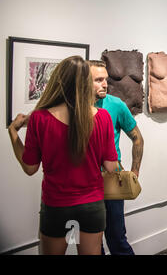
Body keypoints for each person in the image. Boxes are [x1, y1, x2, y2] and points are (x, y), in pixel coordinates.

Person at [8, 56, 118, 255]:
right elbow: (111, 167)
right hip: (92, 204)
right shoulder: (103, 118)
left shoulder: (39, 118)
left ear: (57, 81)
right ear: (86, 83)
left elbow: (30, 168)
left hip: (56, 205)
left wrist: (13, 133)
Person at [88, 60, 144, 255]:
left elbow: (137, 138)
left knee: (116, 237)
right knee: (93, 242)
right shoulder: (74, 108)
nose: (105, 84)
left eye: (106, 79)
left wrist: (134, 172)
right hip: (84, 181)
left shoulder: (115, 104)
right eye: (98, 80)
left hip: (112, 178)